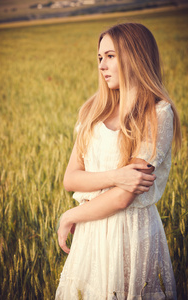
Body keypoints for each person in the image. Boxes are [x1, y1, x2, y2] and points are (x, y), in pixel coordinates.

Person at [55, 23, 181, 300]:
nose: (102, 65)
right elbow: (71, 178)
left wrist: (70, 215)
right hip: (91, 233)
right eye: (100, 57)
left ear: (135, 56)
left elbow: (124, 197)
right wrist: (116, 175)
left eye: (110, 56)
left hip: (131, 235)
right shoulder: (93, 110)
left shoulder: (157, 114)